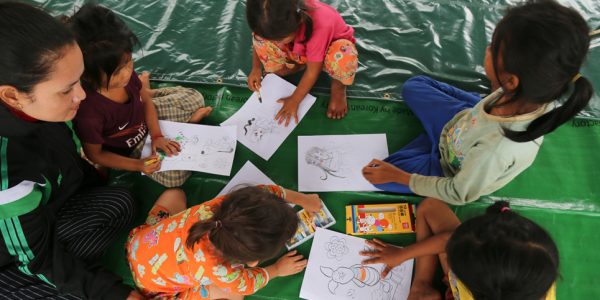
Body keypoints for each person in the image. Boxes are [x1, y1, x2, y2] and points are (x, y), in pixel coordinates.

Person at [362, 0, 594, 205]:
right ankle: (435, 138)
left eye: (493, 48)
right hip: (464, 123)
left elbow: (458, 193)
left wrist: (400, 177)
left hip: (450, 167)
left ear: (511, 80)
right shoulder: (528, 92)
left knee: (383, 173)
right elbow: (484, 108)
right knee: (414, 87)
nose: (486, 49)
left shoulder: (495, 150)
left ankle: (432, 145)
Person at [0, 2, 139, 299]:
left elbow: (63, 154)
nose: (82, 95)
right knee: (65, 288)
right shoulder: (7, 172)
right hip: (10, 253)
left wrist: (90, 176)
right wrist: (119, 295)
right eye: (67, 89)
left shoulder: (43, 111)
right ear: (12, 95)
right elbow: (39, 260)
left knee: (121, 203)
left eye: (80, 80)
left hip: (43, 214)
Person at [69, 3, 212, 188]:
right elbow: (95, 154)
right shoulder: (90, 113)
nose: (128, 72)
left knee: (196, 97)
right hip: (128, 149)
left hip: (146, 122)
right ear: (87, 75)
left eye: (129, 62)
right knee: (175, 178)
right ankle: (186, 122)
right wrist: (138, 165)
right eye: (118, 70)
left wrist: (158, 135)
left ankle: (149, 89)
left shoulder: (126, 77)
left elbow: (146, 103)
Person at [126, 185, 321, 299]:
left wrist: (304, 200)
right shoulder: (221, 271)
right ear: (251, 261)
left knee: (175, 194)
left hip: (139, 244)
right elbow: (248, 285)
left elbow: (266, 191)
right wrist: (277, 269)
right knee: (235, 296)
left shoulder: (222, 209)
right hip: (155, 290)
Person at [361, 200, 558, 300]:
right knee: (429, 208)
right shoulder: (534, 266)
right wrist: (402, 255)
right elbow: (431, 207)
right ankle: (422, 286)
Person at [246, 0, 358, 123]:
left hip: (330, 51)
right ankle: (301, 65)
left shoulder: (320, 26)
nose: (275, 43)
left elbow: (312, 72)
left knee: (344, 57)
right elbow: (258, 38)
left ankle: (338, 87)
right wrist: (256, 68)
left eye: (280, 39)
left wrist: (294, 100)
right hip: (301, 51)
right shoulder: (270, 21)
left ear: (299, 22)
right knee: (278, 68)